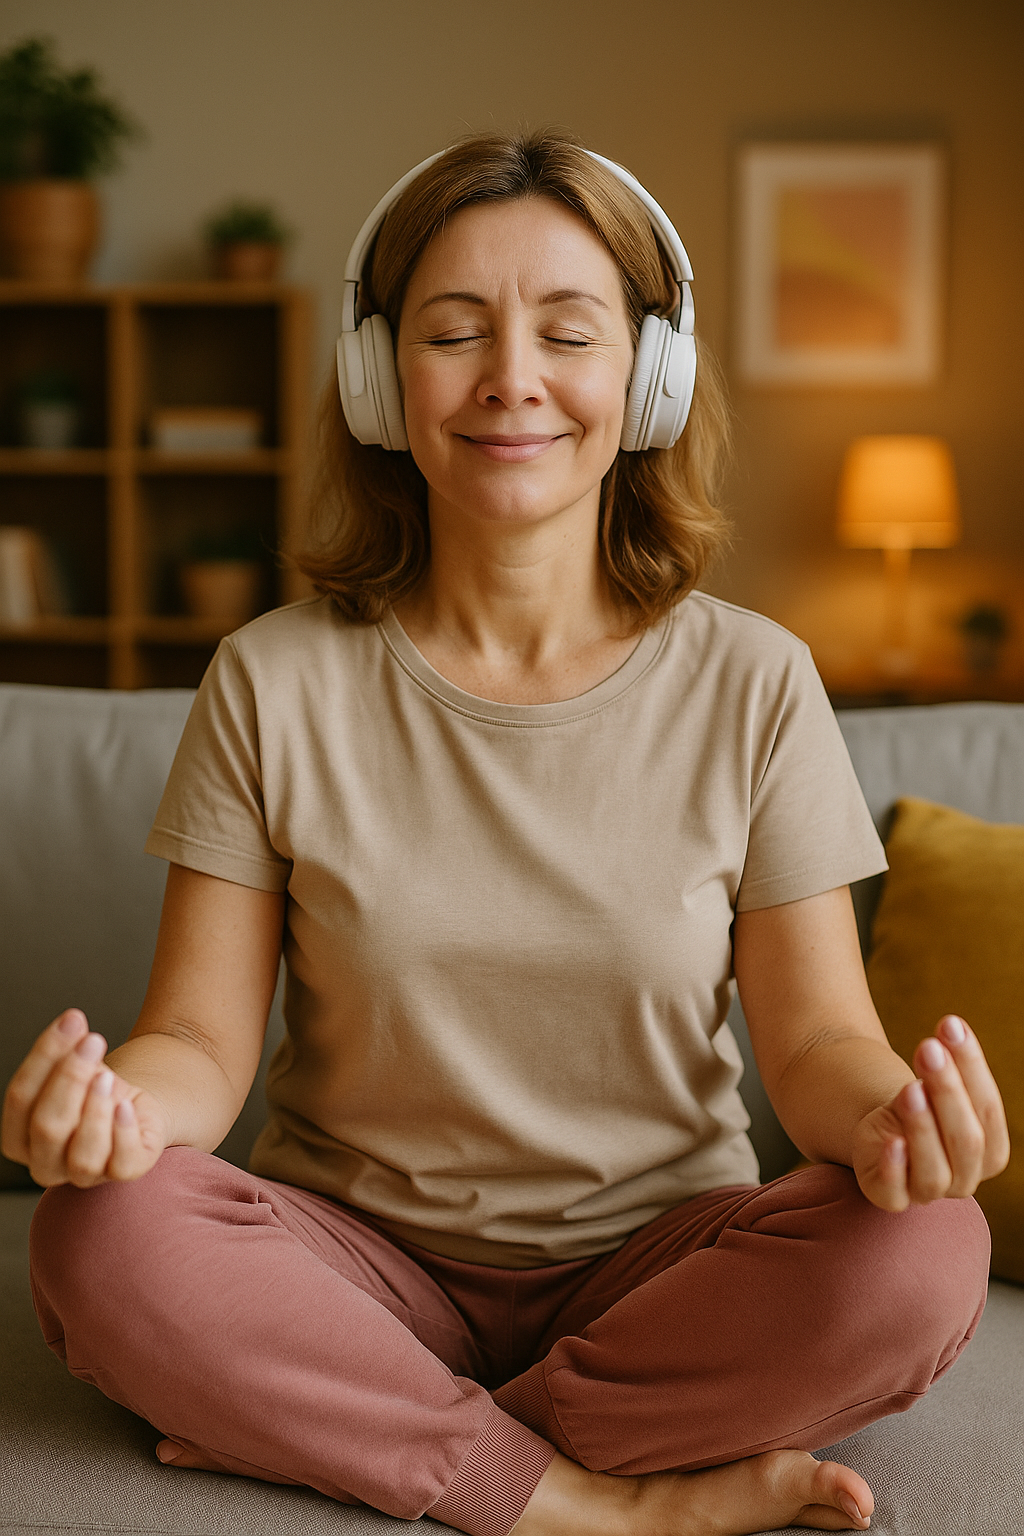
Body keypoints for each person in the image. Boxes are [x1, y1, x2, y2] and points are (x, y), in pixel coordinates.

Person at [3, 131, 1009, 1536]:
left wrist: (895, 1121)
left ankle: (355, 1426)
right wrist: (117, 1117)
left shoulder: (756, 681)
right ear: (379, 378)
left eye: (568, 333)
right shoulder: (273, 679)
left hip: (660, 1270)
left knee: (927, 1252)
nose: (510, 381)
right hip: (351, 1261)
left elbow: (815, 1047)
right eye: (454, 332)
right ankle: (603, 1500)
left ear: (647, 380)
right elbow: (202, 1048)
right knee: (96, 1234)